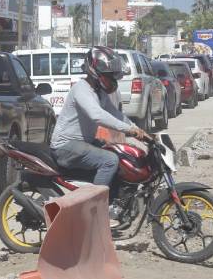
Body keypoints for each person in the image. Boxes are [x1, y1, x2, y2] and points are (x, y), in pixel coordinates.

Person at [50, 46, 149, 219]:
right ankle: (93, 211)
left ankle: (115, 200)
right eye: (108, 75)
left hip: (83, 143)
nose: (111, 79)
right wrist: (129, 130)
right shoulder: (81, 89)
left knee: (120, 152)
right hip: (66, 145)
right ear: (94, 71)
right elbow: (97, 115)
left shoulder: (98, 92)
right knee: (110, 161)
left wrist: (139, 130)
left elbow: (115, 114)